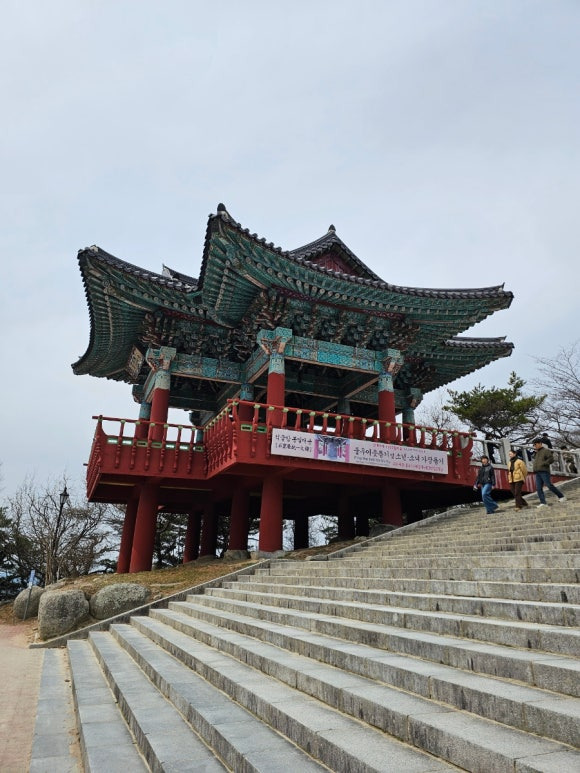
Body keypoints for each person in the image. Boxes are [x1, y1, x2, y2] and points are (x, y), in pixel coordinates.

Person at [532, 438, 566, 508]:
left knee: (549, 485)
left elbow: (551, 459)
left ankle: (561, 496)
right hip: (538, 472)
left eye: (535, 444)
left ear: (540, 443)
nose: (534, 446)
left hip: (544, 471)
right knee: (538, 488)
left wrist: (544, 463)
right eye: (533, 445)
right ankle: (543, 503)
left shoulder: (546, 451)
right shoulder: (537, 452)